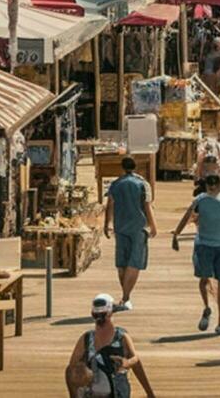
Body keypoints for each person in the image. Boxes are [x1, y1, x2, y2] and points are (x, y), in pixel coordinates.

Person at [171, 172, 220, 334]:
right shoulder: (200, 200)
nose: (212, 190)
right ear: (206, 186)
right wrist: (176, 235)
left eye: (214, 187)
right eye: (209, 187)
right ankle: (207, 306)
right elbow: (187, 216)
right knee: (204, 279)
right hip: (204, 245)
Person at [66, 293, 155, 398]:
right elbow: (71, 370)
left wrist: (127, 363)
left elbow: (135, 360)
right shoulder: (88, 339)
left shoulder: (120, 337)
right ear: (111, 312)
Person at [104, 154, 156, 311]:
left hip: (121, 227)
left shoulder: (115, 184)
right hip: (138, 227)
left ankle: (125, 297)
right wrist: (153, 225)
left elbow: (109, 205)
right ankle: (126, 297)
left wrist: (107, 224)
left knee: (122, 263)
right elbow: (147, 206)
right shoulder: (143, 184)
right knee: (135, 262)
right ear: (136, 167)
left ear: (122, 167)